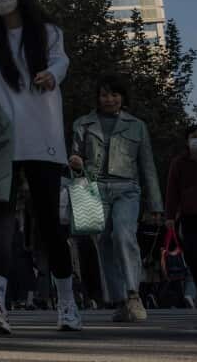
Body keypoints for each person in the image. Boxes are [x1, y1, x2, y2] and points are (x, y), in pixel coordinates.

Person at [0, 0, 80, 334]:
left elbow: (62, 60)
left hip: (44, 140)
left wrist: (52, 74)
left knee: (49, 225)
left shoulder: (47, 33)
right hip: (3, 141)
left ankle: (67, 304)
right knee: (1, 220)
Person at [70, 73, 163, 322]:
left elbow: (148, 165)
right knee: (104, 245)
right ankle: (120, 300)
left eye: (114, 94)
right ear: (97, 98)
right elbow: (74, 162)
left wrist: (155, 204)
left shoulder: (137, 125)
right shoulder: (82, 124)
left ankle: (134, 295)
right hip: (94, 189)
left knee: (123, 235)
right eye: (104, 95)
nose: (109, 99)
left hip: (127, 189)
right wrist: (75, 164)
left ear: (122, 97)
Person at [165, 125, 197, 301]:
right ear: (187, 141)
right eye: (194, 137)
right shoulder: (179, 162)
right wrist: (170, 216)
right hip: (190, 215)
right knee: (193, 254)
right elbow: (172, 191)